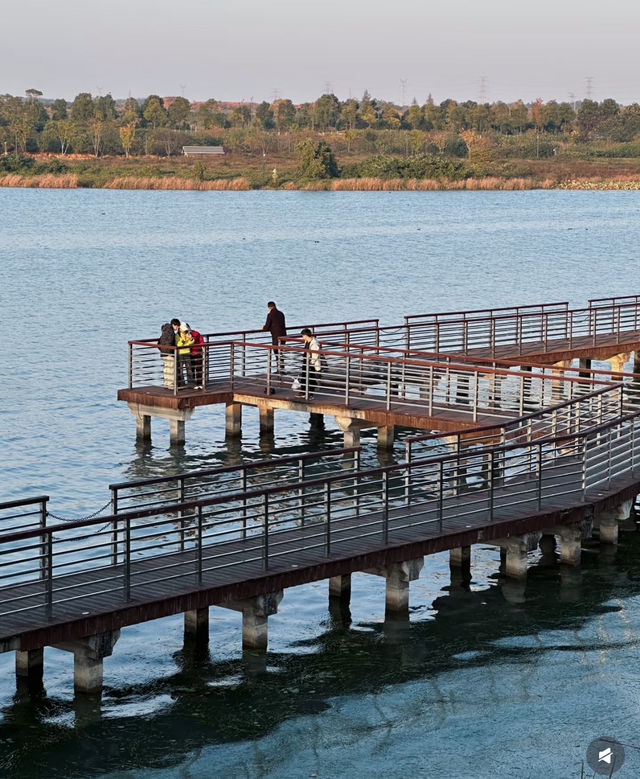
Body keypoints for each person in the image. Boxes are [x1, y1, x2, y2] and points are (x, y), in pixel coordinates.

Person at [262, 301, 286, 373]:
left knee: (276, 352)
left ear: (269, 307)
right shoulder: (281, 314)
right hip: (283, 335)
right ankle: (282, 369)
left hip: (276, 336)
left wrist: (263, 327)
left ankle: (280, 370)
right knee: (280, 352)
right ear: (275, 306)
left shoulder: (270, 315)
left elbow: (267, 326)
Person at [298, 328, 322, 399]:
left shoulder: (314, 343)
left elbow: (315, 354)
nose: (302, 337)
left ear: (306, 335)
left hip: (311, 363)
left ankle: (309, 393)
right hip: (305, 361)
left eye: (303, 335)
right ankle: (303, 391)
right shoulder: (307, 341)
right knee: (304, 376)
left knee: (310, 377)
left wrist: (311, 362)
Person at [186, 322, 205, 390]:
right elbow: (202, 343)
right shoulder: (196, 333)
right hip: (197, 353)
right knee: (198, 369)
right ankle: (198, 383)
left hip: (192, 353)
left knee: (192, 369)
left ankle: (194, 383)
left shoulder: (194, 334)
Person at [176, 322, 195, 387]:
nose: (184, 331)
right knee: (180, 369)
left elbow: (191, 342)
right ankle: (181, 383)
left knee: (189, 368)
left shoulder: (187, 333)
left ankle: (191, 383)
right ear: (180, 329)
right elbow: (179, 344)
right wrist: (184, 340)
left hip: (187, 352)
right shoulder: (177, 335)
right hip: (180, 353)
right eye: (183, 329)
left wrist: (191, 339)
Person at [158, 322, 177, 388]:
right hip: (169, 353)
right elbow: (170, 342)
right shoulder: (171, 332)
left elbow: (158, 343)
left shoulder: (164, 332)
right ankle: (171, 384)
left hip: (163, 353)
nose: (177, 328)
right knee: (171, 368)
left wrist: (162, 350)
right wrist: (169, 353)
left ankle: (166, 382)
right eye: (177, 326)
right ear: (174, 325)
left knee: (166, 368)